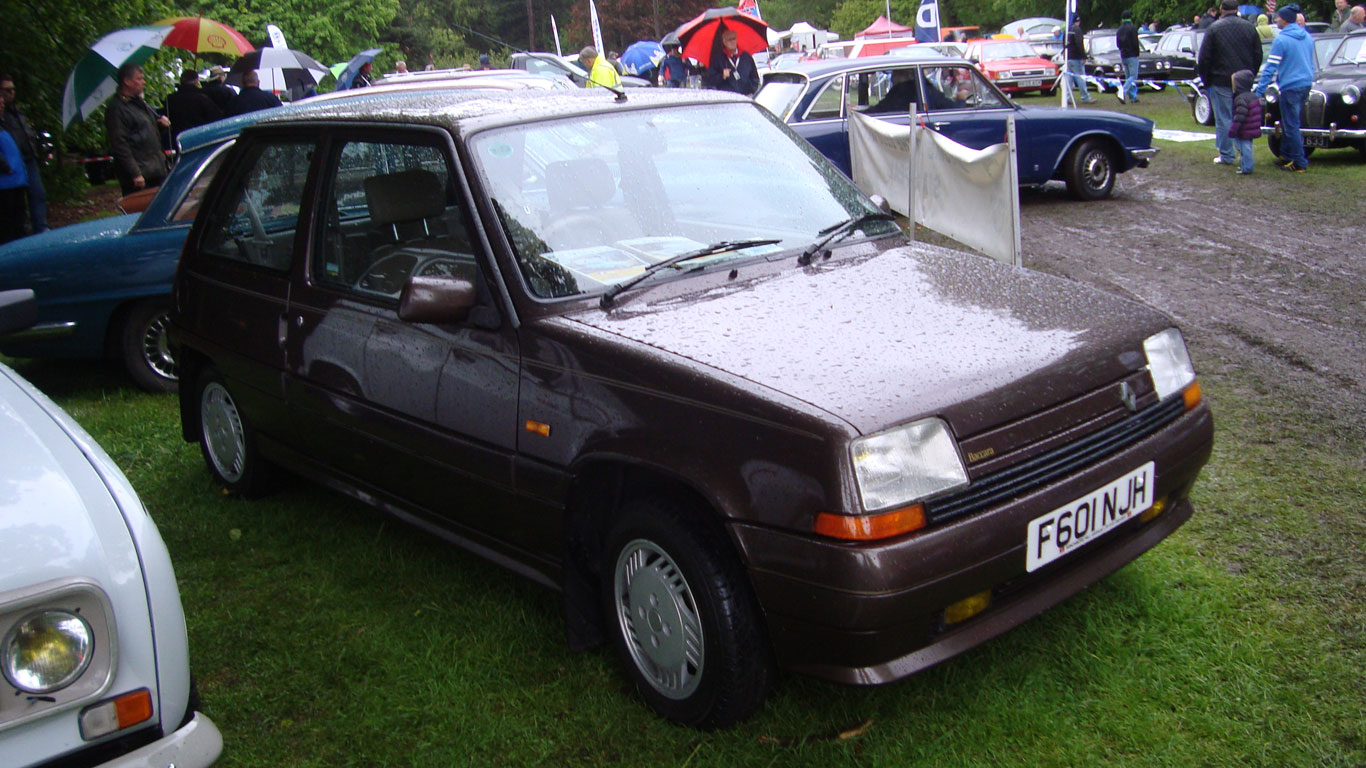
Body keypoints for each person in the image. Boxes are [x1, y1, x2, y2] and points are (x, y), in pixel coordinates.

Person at [1198, 0, 1261, 166]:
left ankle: (1227, 154)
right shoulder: (1249, 27)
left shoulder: (1214, 28)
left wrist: (1206, 79)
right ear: (1237, 9)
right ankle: (1244, 154)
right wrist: (1250, 74)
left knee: (1224, 118)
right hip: (1243, 80)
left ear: (1221, 9)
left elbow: (1204, 57)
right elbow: (1258, 54)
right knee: (1243, 118)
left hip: (1221, 79)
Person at [1255, 4, 1316, 171]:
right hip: (1305, 83)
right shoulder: (1307, 36)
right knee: (1291, 120)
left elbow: (1271, 67)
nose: (1276, 20)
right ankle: (1286, 154)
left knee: (1291, 125)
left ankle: (1299, 162)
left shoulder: (1282, 40)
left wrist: (1260, 90)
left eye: (1278, 17)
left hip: (1290, 85)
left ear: (1286, 20)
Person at [105, 64, 170, 195]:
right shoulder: (117, 108)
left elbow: (144, 132)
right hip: (141, 175)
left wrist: (160, 126)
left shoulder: (140, 104)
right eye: (139, 79)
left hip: (156, 169)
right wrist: (135, 173)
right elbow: (119, 144)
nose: (143, 82)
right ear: (127, 81)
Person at [0, 74, 47, 233]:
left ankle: (40, 228)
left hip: (28, 159)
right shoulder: (3, 116)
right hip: (12, 165)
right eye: (7, 90)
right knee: (14, 205)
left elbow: (27, 134)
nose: (11, 93)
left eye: (13, 89)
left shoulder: (18, 112)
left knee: (38, 195)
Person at [165, 70, 222, 143]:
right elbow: (216, 119)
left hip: (175, 140)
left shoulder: (170, 99)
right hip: (198, 139)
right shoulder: (203, 99)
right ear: (196, 81)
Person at [703, 27, 759, 96]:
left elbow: (754, 77)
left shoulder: (746, 56)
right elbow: (710, 81)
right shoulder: (718, 59)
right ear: (724, 42)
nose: (732, 41)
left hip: (746, 97)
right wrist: (722, 76)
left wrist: (752, 91)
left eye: (734, 38)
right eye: (729, 40)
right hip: (728, 98)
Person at [1228, 69, 1262, 174]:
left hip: (1244, 130)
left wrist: (1233, 130)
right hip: (1251, 128)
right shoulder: (1253, 97)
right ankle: (1244, 165)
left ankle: (1247, 167)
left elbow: (1239, 117)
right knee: (1245, 147)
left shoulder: (1241, 99)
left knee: (1244, 148)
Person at [0, 126, 27, 243]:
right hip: (5, 182)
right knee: (7, 221)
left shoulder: (6, 127)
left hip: (17, 179)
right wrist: (5, 167)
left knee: (18, 219)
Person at [1065, 16, 1096, 103]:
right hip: (1076, 57)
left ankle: (1067, 97)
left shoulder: (1067, 30)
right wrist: (1084, 56)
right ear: (1078, 21)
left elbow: (1064, 43)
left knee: (1069, 79)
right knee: (1080, 77)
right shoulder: (1077, 30)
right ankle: (1085, 97)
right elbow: (1079, 43)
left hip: (1068, 57)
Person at [1116, 11, 1142, 103]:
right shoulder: (1132, 28)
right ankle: (1122, 92)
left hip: (1123, 55)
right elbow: (1135, 43)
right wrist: (1137, 52)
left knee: (1128, 77)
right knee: (1133, 76)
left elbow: (1118, 44)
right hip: (1132, 55)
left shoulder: (1119, 30)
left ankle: (1133, 97)